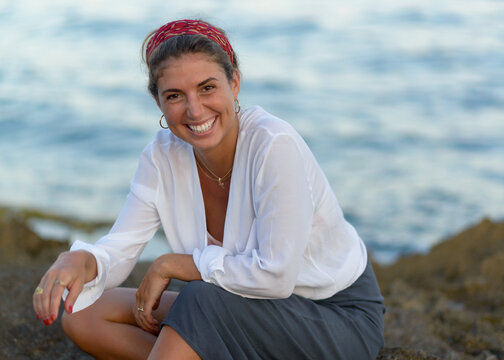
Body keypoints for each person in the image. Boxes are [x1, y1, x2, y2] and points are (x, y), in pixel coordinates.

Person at [33, 19, 385, 359]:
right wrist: (82, 259)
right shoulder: (160, 157)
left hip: (333, 316)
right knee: (83, 313)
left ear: (234, 83)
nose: (194, 109)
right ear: (158, 102)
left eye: (207, 87)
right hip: (239, 308)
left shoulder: (273, 144)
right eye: (174, 95)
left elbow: (276, 277)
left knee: (198, 297)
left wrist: (174, 264)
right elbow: (121, 249)